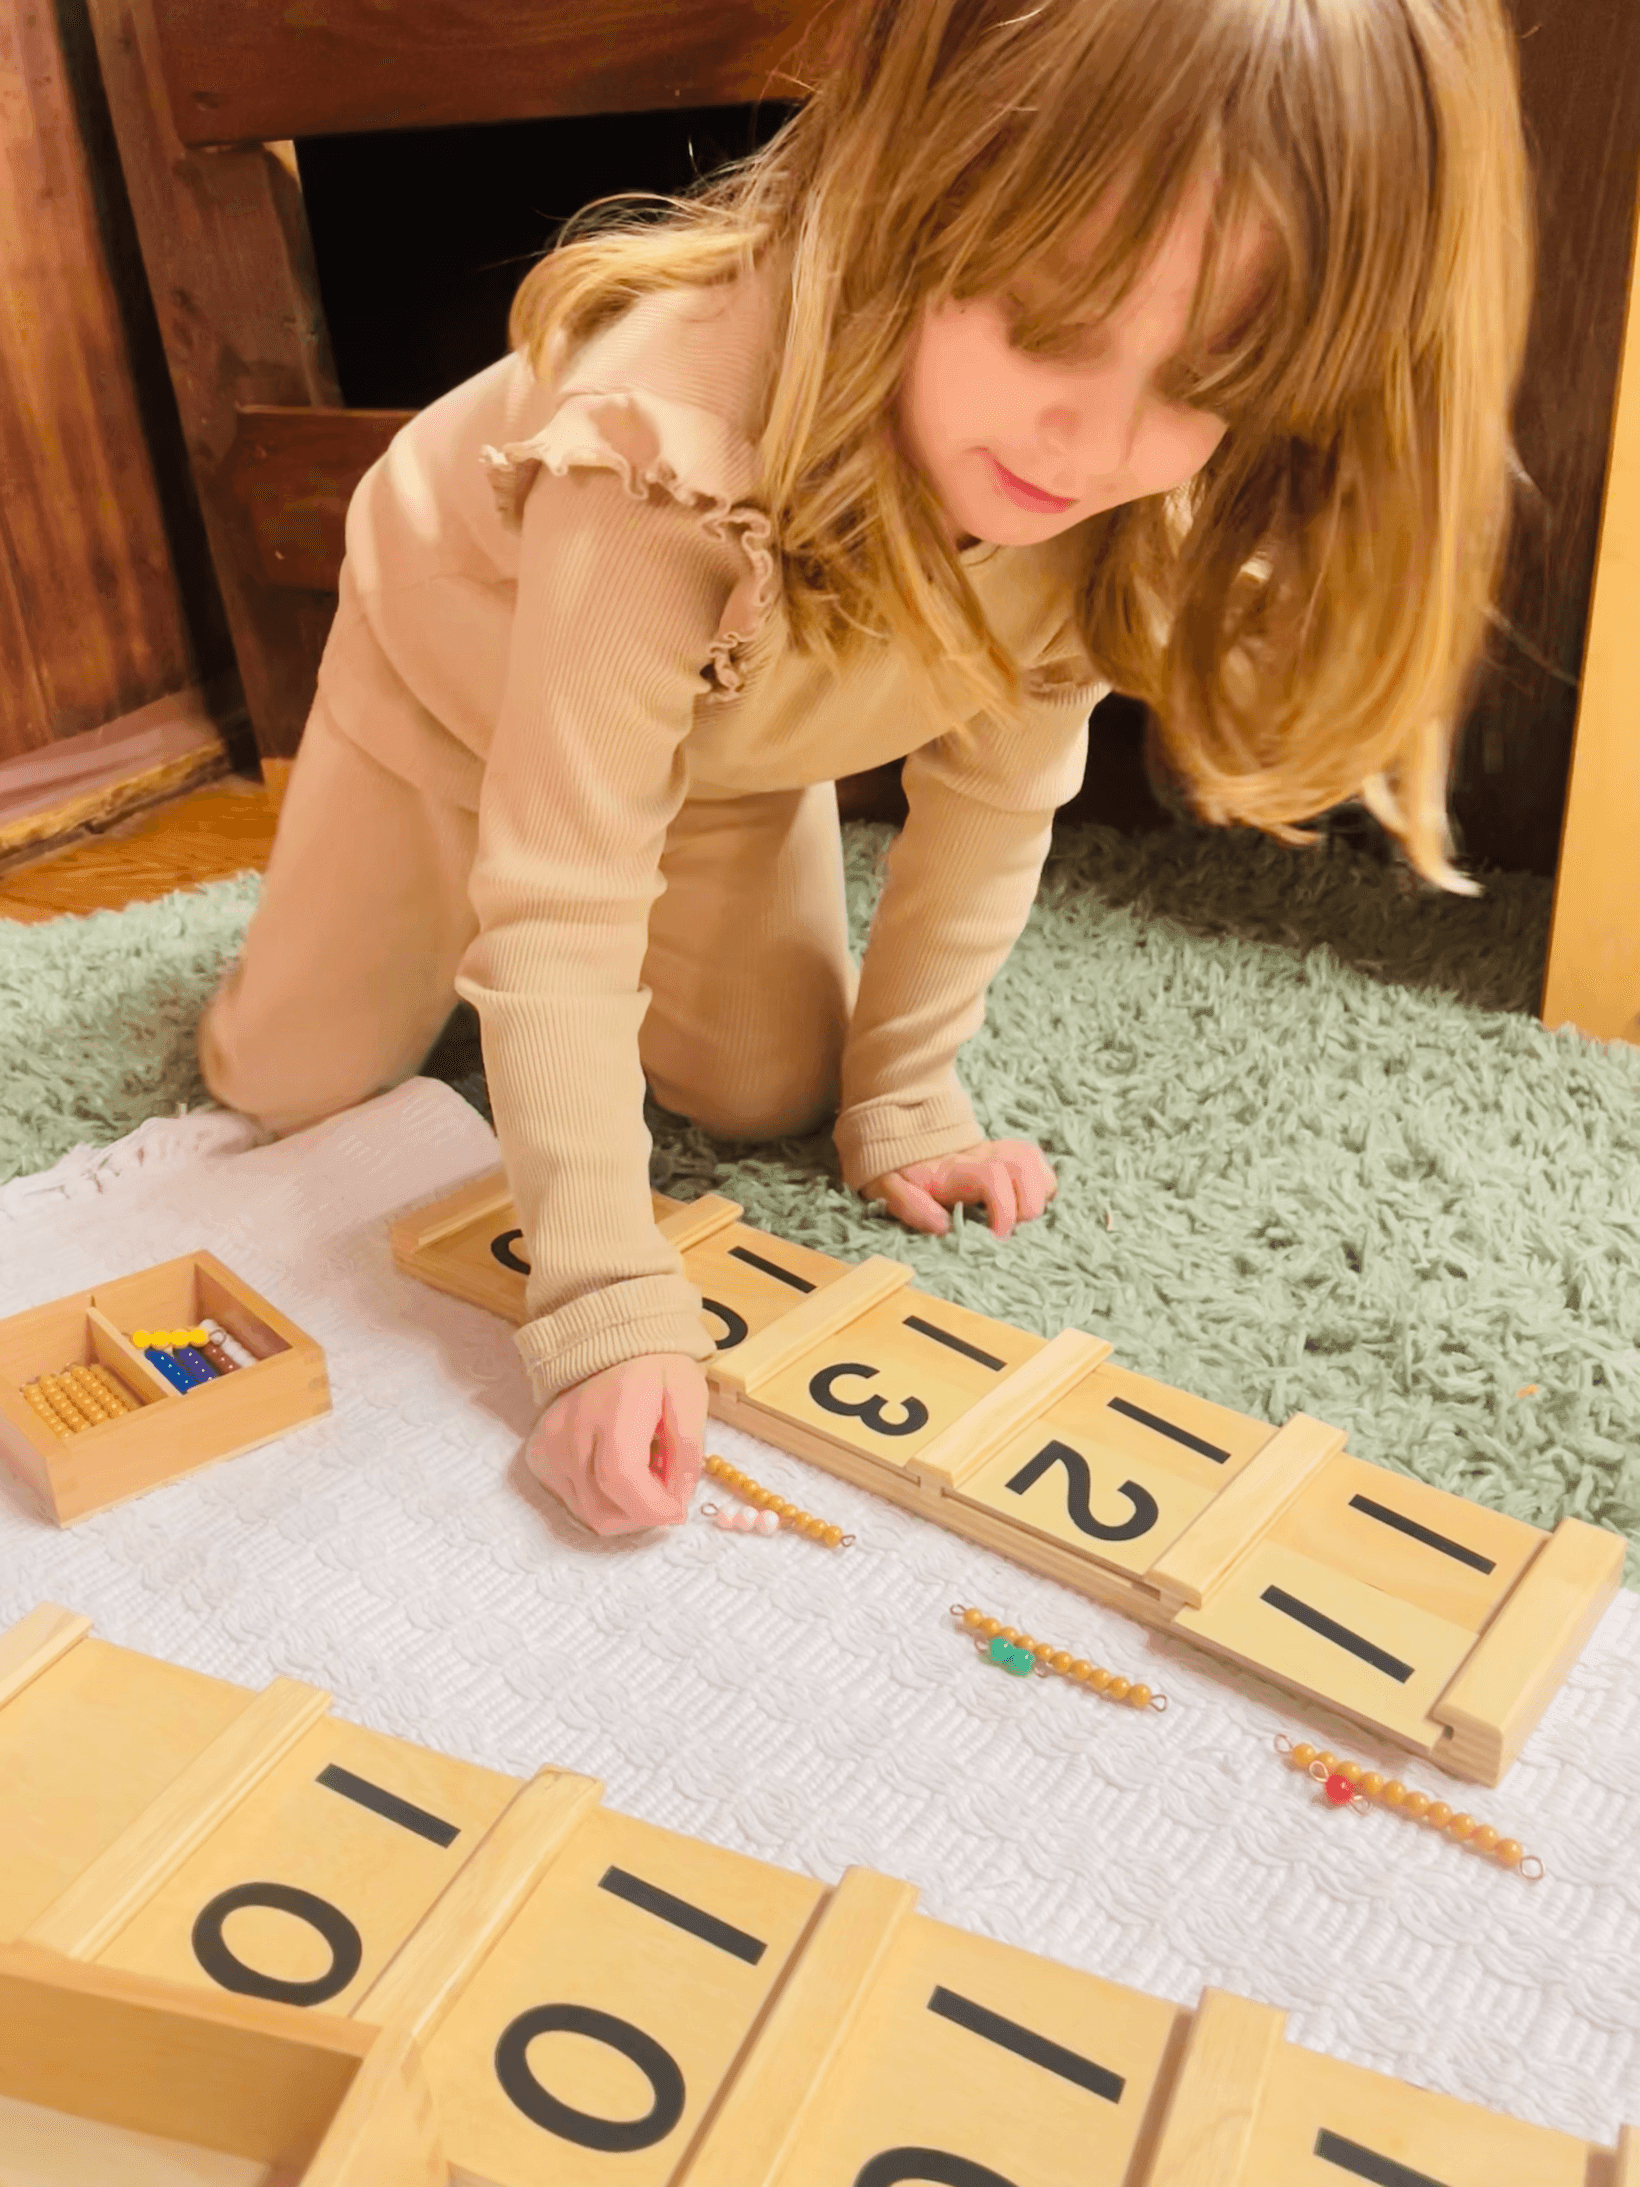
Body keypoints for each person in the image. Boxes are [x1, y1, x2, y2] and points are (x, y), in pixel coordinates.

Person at [200, 0, 1533, 1537]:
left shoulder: (1105, 501)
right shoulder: (664, 449)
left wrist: (905, 1095)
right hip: (450, 685)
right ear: (911, 181)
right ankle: (356, 900)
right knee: (284, 1079)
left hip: (731, 751)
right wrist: (608, 1303)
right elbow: (561, 893)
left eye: (1204, 385)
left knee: (777, 1089)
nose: (1092, 445)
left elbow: (997, 799)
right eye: (1045, 320)